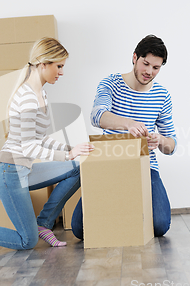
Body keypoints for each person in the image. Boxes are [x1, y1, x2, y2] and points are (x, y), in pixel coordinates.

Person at [0, 37, 94, 252]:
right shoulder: (27, 97)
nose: (61, 72)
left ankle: (44, 223)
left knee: (78, 169)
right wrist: (68, 154)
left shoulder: (40, 93)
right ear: (43, 64)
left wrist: (70, 149)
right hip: (9, 173)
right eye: (58, 66)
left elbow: (40, 138)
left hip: (24, 169)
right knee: (27, 241)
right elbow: (28, 148)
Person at [71, 34, 176, 239]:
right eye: (146, 64)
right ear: (134, 57)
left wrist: (160, 140)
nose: (149, 72)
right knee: (79, 229)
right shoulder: (110, 83)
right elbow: (97, 115)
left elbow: (171, 145)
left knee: (161, 225)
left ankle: (125, 211)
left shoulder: (162, 95)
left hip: (146, 167)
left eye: (156, 68)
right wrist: (128, 124)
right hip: (110, 162)